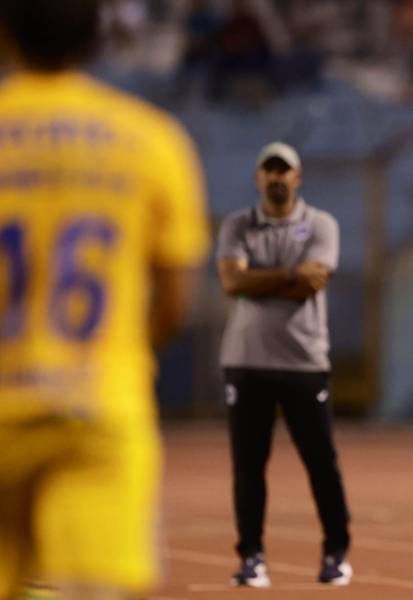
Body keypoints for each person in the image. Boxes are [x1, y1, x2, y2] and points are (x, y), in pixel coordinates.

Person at [0, 1, 210, 599]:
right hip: (98, 404)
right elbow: (174, 300)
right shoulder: (151, 139)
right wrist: (116, 353)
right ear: (97, 37)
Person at [217, 142, 352, 587]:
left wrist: (259, 280)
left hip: (304, 362)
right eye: (269, 170)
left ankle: (336, 553)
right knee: (248, 464)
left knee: (320, 461)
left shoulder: (320, 224)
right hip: (246, 362)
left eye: (284, 170)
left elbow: (311, 286)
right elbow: (232, 282)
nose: (276, 177)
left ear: (297, 177)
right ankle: (251, 556)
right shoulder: (237, 225)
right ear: (258, 177)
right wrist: (291, 274)